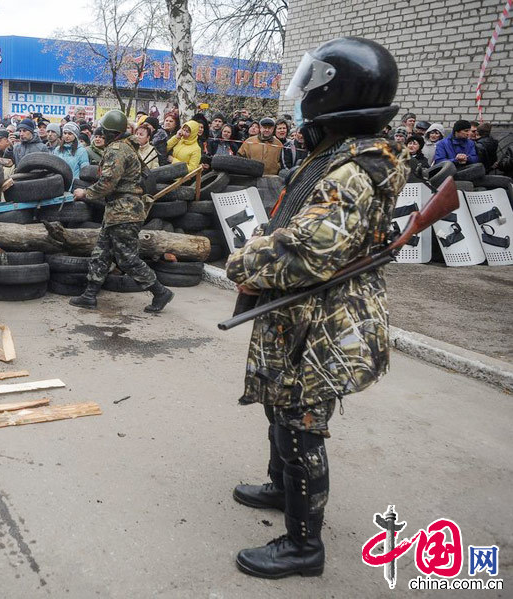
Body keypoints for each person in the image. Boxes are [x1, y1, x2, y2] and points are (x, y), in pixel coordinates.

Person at [225, 36, 409, 580]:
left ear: (338, 92)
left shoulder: (354, 168)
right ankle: (282, 490)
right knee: (280, 404)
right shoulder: (338, 152)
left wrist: (243, 261)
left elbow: (306, 252)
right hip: (302, 314)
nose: (306, 92)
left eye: (316, 81)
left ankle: (304, 546)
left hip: (325, 319)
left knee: (300, 421)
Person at [70, 110, 174, 313]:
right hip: (118, 211)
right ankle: (89, 295)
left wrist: (85, 193)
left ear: (110, 132)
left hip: (124, 212)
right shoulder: (128, 147)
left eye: (104, 131)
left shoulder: (117, 149)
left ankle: (160, 291)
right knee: (101, 253)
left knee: (127, 258)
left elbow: (107, 183)